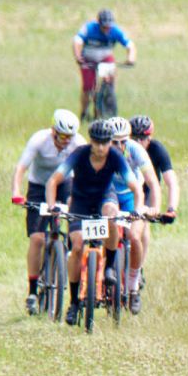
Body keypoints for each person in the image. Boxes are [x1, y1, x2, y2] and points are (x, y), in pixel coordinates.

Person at [44, 119, 141, 327]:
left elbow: (136, 187)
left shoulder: (115, 157)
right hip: (80, 201)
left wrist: (138, 210)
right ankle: (73, 302)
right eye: (97, 142)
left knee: (112, 215)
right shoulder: (79, 154)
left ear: (110, 142)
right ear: (91, 141)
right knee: (77, 246)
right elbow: (53, 181)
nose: (101, 147)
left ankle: (110, 267)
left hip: (105, 198)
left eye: (105, 142)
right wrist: (52, 206)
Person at [10, 109, 85, 315]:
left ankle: (68, 252)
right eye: (62, 136)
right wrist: (16, 192)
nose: (66, 142)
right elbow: (21, 168)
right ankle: (33, 291)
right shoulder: (39, 140)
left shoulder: (79, 143)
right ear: (53, 131)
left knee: (75, 216)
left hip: (65, 184)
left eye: (69, 137)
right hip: (39, 186)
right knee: (37, 239)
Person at [107, 117, 161, 314]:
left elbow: (153, 182)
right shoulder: (100, 150)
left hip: (132, 195)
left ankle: (133, 286)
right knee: (103, 230)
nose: (119, 146)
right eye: (114, 142)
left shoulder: (136, 150)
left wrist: (154, 207)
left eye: (123, 141)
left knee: (134, 236)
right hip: (109, 194)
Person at [73, 8, 137, 118]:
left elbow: (130, 45)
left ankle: (101, 112)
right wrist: (78, 56)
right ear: (99, 24)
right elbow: (77, 41)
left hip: (105, 59)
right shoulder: (89, 28)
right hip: (88, 59)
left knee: (108, 85)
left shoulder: (116, 31)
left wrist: (131, 58)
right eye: (104, 26)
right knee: (88, 87)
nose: (107, 29)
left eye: (109, 26)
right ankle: (84, 112)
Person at [129, 115, 177, 223]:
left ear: (149, 138)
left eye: (142, 139)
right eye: (134, 139)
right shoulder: (124, 148)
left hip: (148, 189)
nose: (138, 143)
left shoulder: (157, 149)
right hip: (128, 188)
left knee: (143, 221)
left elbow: (171, 182)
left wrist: (171, 209)